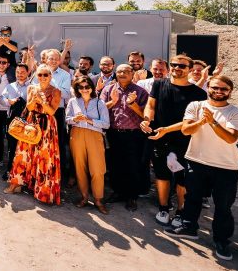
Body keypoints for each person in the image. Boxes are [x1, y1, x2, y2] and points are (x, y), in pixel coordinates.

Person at [163, 76, 238, 262]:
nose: (219, 91)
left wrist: (213, 122)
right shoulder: (195, 106)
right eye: (215, 88)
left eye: (224, 89)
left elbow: (230, 138)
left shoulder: (237, 113)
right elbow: (186, 130)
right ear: (208, 87)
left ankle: (221, 240)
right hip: (196, 160)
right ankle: (189, 228)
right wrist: (202, 122)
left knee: (223, 206)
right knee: (192, 198)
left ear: (230, 91)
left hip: (225, 166)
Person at [142, 54, 207, 226]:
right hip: (159, 138)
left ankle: (180, 212)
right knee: (162, 175)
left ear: (190, 70)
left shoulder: (199, 93)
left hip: (185, 140)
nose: (177, 68)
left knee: (182, 179)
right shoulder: (158, 84)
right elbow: (150, 105)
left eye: (182, 66)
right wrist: (147, 119)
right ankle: (163, 208)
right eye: (174, 65)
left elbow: (190, 122)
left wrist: (166, 130)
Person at [5, 64, 62, 205]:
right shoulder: (32, 88)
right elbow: (29, 107)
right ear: (36, 76)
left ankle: (43, 191)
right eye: (40, 75)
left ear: (50, 76)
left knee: (44, 156)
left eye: (45, 75)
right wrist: (34, 99)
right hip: (31, 122)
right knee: (23, 153)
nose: (42, 77)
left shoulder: (56, 91)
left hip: (47, 124)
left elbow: (52, 112)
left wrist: (42, 101)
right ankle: (16, 184)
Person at [100, 64, 149, 211]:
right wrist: (113, 102)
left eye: (126, 71)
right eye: (119, 71)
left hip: (134, 135)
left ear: (132, 73)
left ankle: (131, 196)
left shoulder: (140, 91)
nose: (122, 74)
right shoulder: (109, 89)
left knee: (133, 165)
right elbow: (99, 109)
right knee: (115, 164)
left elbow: (145, 116)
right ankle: (118, 192)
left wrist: (133, 104)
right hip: (113, 133)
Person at [66, 75, 110, 214]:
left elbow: (106, 124)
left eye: (87, 86)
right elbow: (67, 119)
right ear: (77, 89)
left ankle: (98, 199)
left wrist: (90, 120)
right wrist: (74, 119)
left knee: (97, 169)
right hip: (77, 134)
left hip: (94, 135)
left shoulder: (100, 103)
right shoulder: (73, 101)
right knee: (80, 167)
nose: (84, 89)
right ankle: (84, 197)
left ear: (92, 87)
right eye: (81, 87)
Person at [44, 49, 73, 181]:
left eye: (56, 59)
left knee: (58, 143)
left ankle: (57, 175)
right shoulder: (40, 72)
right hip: (41, 112)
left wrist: (52, 89)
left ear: (59, 60)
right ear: (46, 59)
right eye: (51, 58)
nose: (54, 61)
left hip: (57, 112)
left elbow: (67, 94)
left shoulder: (65, 75)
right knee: (41, 141)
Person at [2, 63, 31, 178]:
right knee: (11, 146)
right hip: (12, 121)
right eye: (18, 72)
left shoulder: (32, 86)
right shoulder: (10, 86)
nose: (20, 75)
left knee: (25, 148)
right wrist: (8, 101)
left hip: (27, 122)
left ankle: (24, 173)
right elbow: (2, 98)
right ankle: (10, 169)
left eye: (23, 72)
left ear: (28, 72)